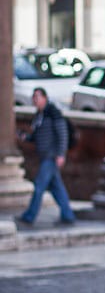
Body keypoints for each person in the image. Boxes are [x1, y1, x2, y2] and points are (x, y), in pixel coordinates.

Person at [17, 87, 76, 226]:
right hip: (45, 156)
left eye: (38, 97)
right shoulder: (40, 115)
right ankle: (68, 214)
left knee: (39, 186)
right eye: (34, 97)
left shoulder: (53, 113)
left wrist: (61, 154)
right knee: (57, 188)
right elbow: (37, 136)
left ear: (45, 98)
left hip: (51, 156)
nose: (35, 100)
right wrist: (26, 137)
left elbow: (62, 135)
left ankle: (29, 216)